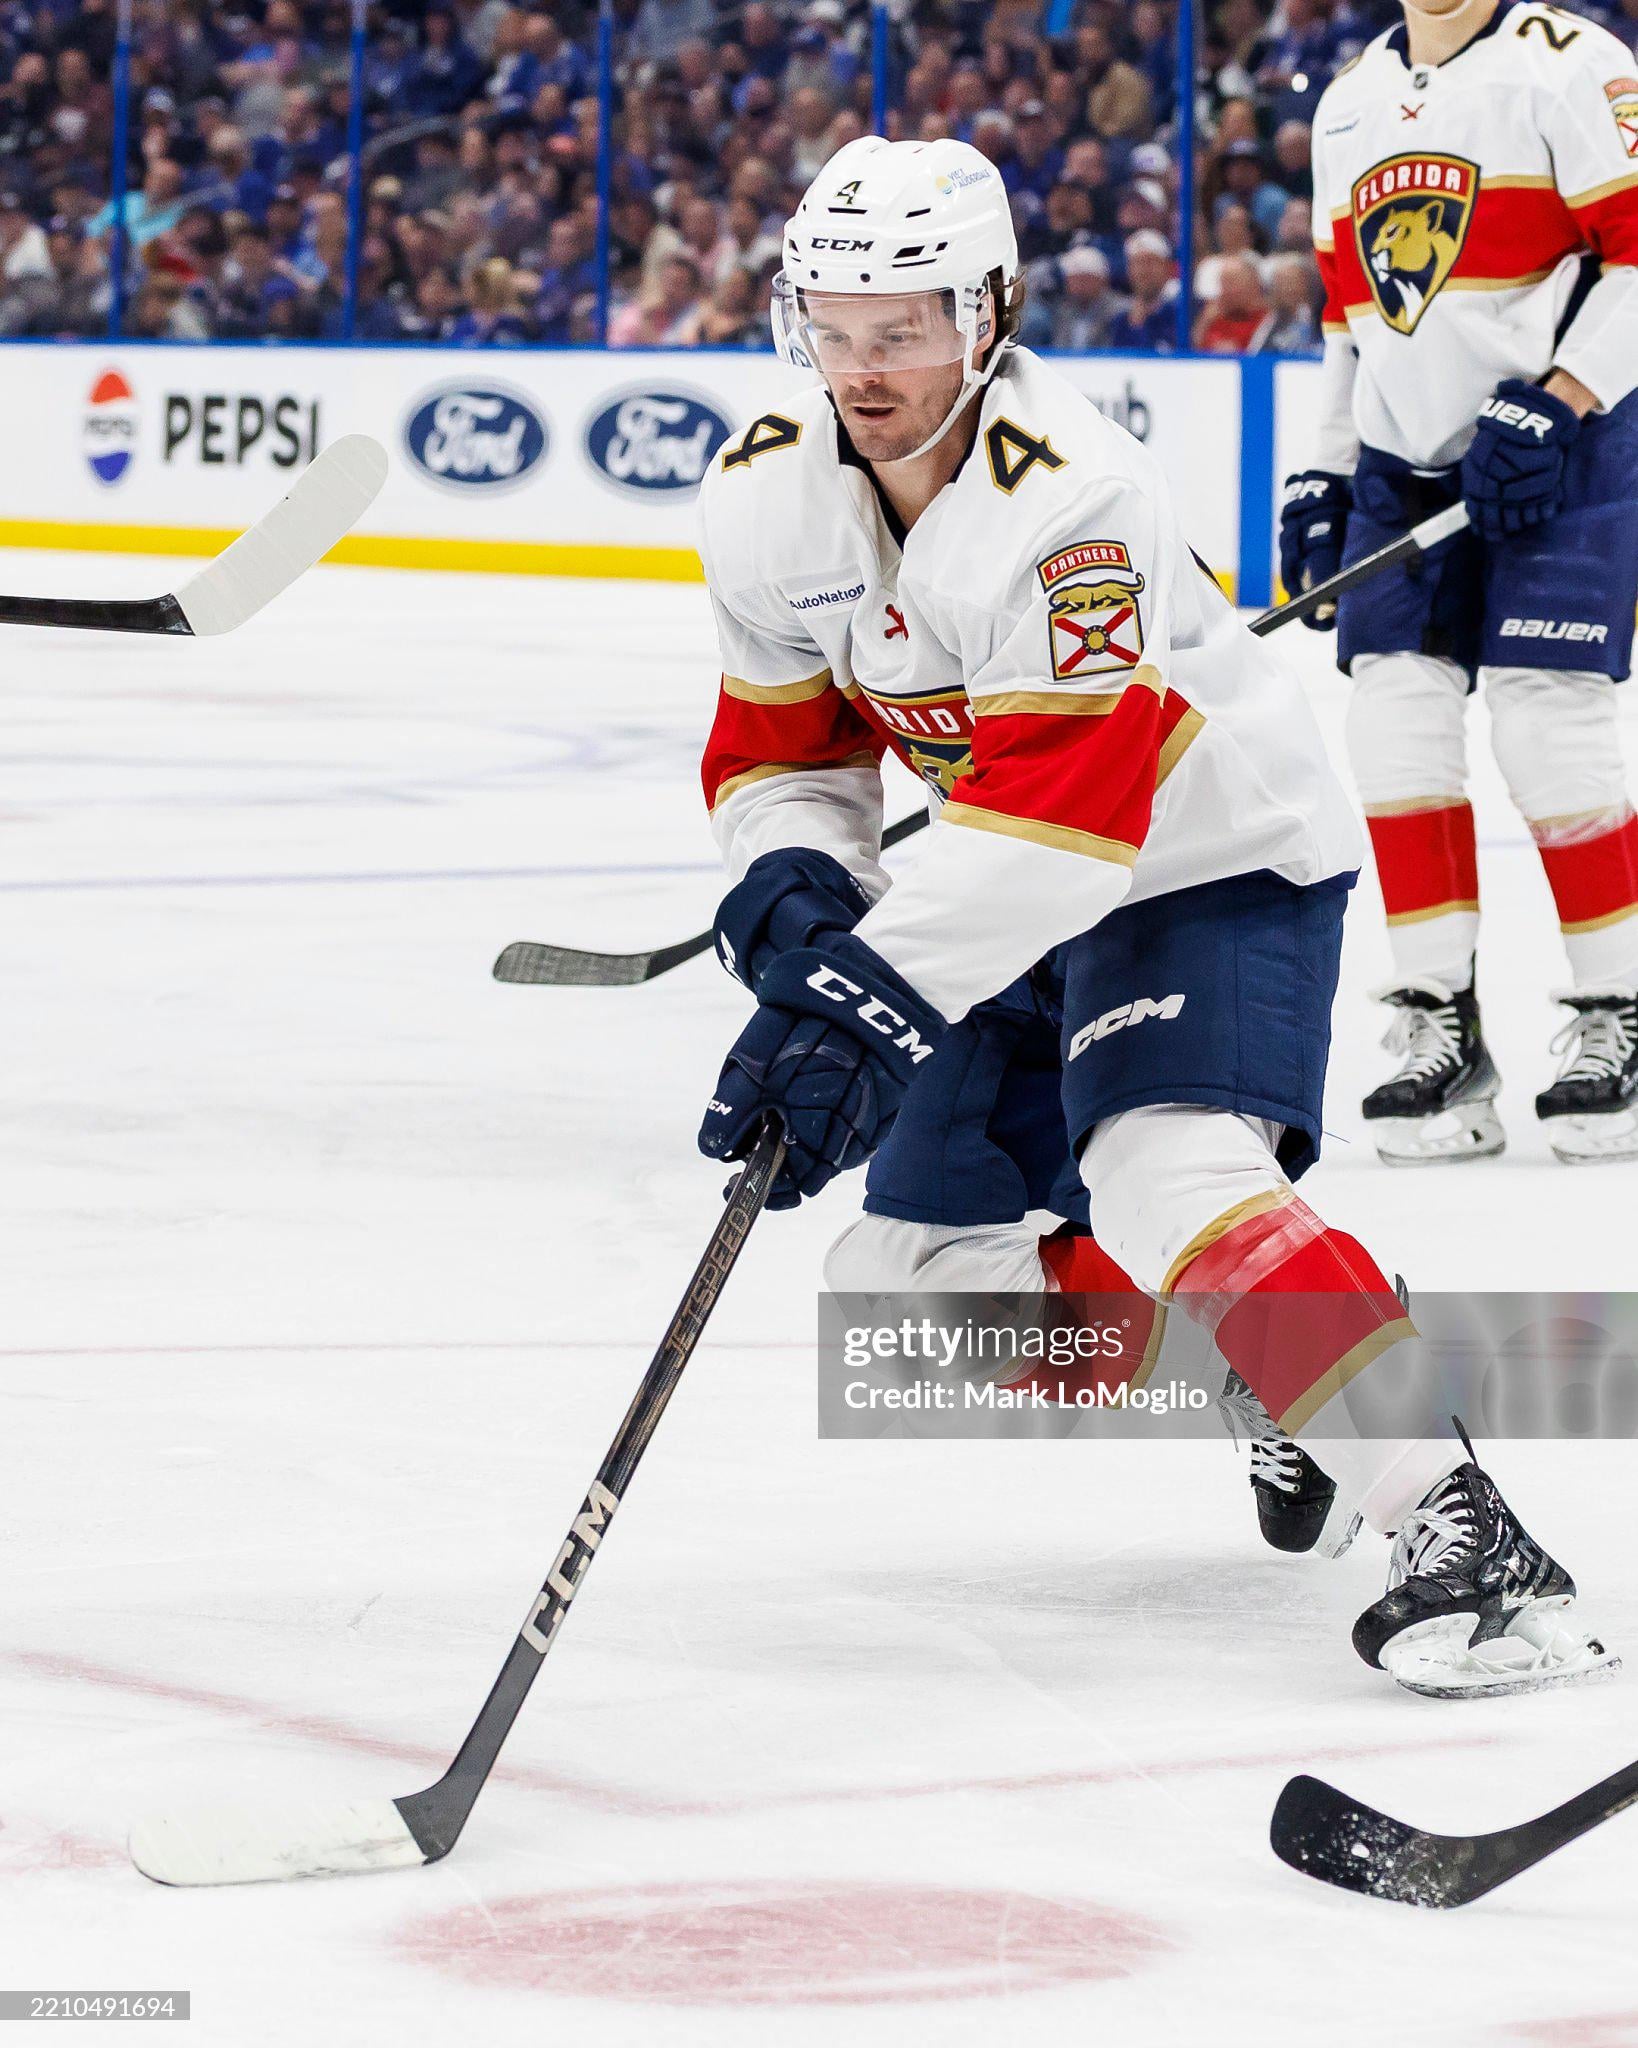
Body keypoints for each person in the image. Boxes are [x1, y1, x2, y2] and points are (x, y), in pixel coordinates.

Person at [691, 134, 1617, 1699]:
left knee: (1158, 1166)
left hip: (1206, 863)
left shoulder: (1074, 496)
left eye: (900, 328)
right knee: (904, 1300)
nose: (861, 369)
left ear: (985, 313)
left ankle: (1463, 1526)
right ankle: (1296, 1355)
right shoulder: (763, 495)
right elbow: (784, 751)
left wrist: (863, 996)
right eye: (830, 328)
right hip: (1003, 889)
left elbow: (1066, 825)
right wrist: (792, 871)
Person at [1283, 0, 1638, 1164]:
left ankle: (1623, 1010)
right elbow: (1350, 316)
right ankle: (1441, 1026)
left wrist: (1560, 398)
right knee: (1393, 728)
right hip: (1404, 464)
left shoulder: (1573, 65)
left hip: (1571, 445)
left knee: (1546, 723)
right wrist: (1327, 468)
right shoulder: (1348, 102)